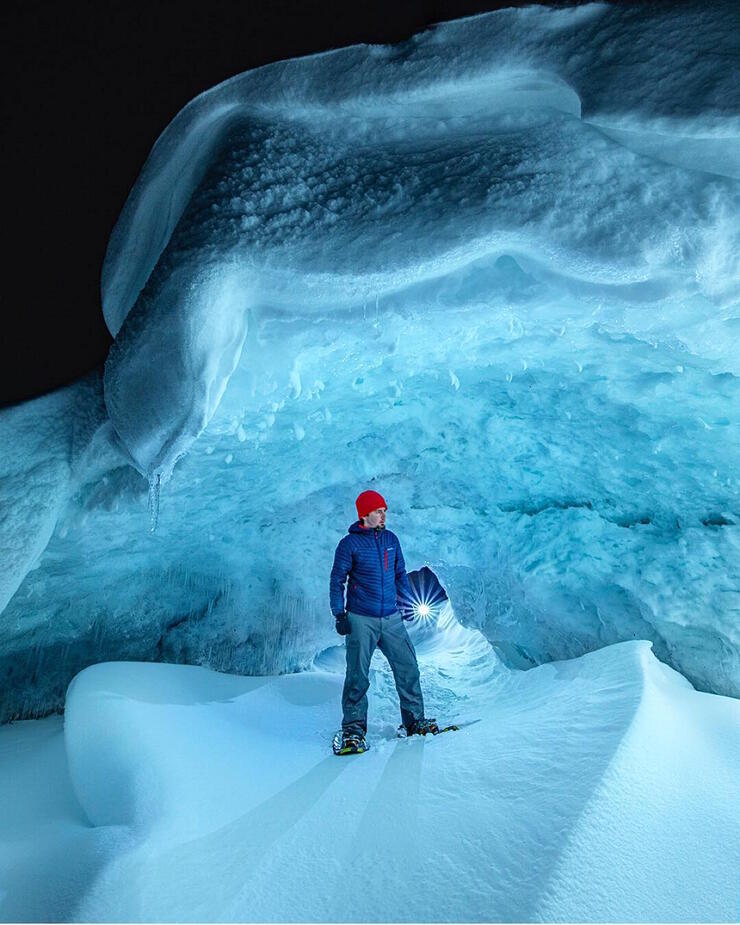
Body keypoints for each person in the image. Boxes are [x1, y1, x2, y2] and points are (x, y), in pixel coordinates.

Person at [329, 489, 439, 754]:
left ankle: (414, 722)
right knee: (357, 676)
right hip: (360, 619)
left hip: (391, 618)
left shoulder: (391, 539)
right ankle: (353, 731)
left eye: (384, 510)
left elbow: (400, 574)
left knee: (408, 668)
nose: (383, 515)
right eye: (379, 511)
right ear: (365, 514)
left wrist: (409, 602)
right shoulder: (349, 544)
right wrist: (340, 614)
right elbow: (337, 580)